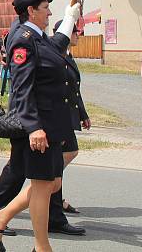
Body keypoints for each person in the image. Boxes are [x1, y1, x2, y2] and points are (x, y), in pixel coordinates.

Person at [0, 0, 81, 252]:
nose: (50, 13)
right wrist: (34, 128)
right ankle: (42, 247)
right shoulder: (23, 39)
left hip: (51, 124)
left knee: (51, 183)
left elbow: (58, 45)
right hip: (39, 126)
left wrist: (71, 18)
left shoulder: (39, 37)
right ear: (30, 11)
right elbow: (22, 88)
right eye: (46, 8)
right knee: (43, 184)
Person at [48, 18, 90, 227]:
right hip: (56, 117)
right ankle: (1, 211)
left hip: (67, 115)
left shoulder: (68, 56)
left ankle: (53, 199)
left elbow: (74, 89)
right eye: (74, 32)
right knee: (51, 169)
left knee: (62, 160)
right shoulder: (55, 55)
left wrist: (82, 114)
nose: (77, 36)